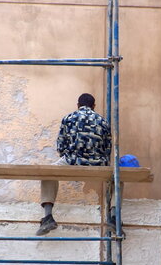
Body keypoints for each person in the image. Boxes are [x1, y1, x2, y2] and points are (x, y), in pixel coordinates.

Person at [36, 93, 112, 236]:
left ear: (78, 105)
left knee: (48, 172)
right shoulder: (103, 122)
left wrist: (73, 157)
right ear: (93, 106)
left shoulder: (68, 118)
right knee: (115, 178)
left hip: (72, 161)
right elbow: (108, 149)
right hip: (98, 164)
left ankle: (48, 216)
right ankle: (113, 216)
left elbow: (60, 146)